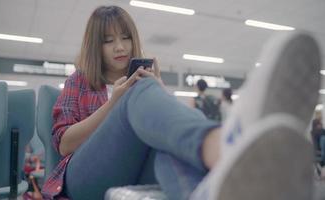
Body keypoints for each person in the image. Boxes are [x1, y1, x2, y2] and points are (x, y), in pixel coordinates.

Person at [41, 5, 321, 200]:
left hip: (133, 170)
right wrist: (114, 103)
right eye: (109, 40)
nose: (121, 47)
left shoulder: (142, 80)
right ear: (95, 45)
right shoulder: (80, 80)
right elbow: (64, 144)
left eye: (126, 37)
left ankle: (209, 192)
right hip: (80, 181)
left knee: (169, 147)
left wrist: (158, 91)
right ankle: (226, 143)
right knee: (140, 93)